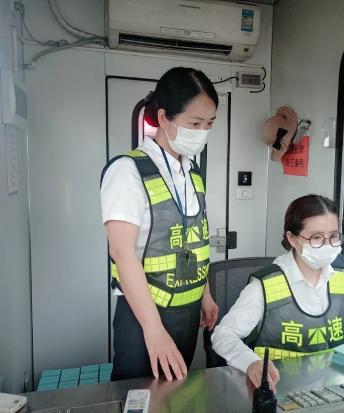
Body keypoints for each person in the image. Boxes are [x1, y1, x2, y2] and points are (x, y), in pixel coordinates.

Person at [100, 67, 219, 382]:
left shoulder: (192, 172)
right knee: (139, 398)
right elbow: (122, 253)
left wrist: (204, 295)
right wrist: (153, 329)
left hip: (188, 310)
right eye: (195, 123)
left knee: (175, 395)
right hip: (144, 315)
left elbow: (193, 241)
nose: (203, 131)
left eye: (209, 123)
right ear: (164, 117)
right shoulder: (127, 170)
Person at [211, 194, 344, 391]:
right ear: (292, 238)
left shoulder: (339, 278)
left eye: (334, 236)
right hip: (280, 390)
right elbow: (224, 334)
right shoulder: (265, 286)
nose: (327, 245)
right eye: (316, 238)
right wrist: (251, 362)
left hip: (332, 388)